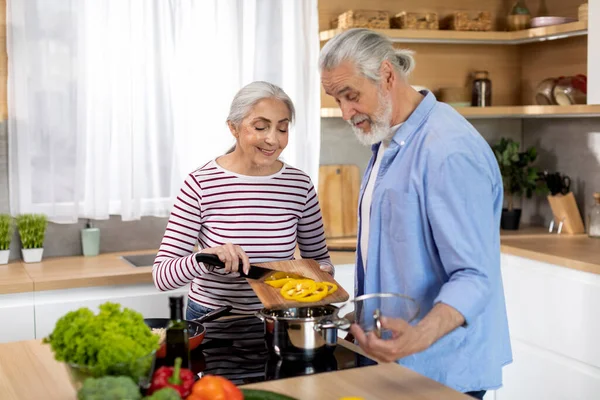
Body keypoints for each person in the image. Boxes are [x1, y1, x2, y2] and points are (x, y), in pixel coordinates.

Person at [319, 29, 512, 399]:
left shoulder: (447, 151)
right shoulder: (390, 137)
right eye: (336, 98)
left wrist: (418, 336)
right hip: (395, 364)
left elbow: (475, 276)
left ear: (388, 76)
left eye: (351, 95)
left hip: (439, 370)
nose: (345, 112)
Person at [152, 81, 334, 319]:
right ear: (233, 128)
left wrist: (322, 273)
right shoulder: (200, 184)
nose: (273, 140)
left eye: (282, 129)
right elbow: (162, 276)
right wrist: (206, 258)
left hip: (280, 316)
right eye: (260, 127)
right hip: (214, 317)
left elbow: (319, 260)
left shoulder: (299, 185)